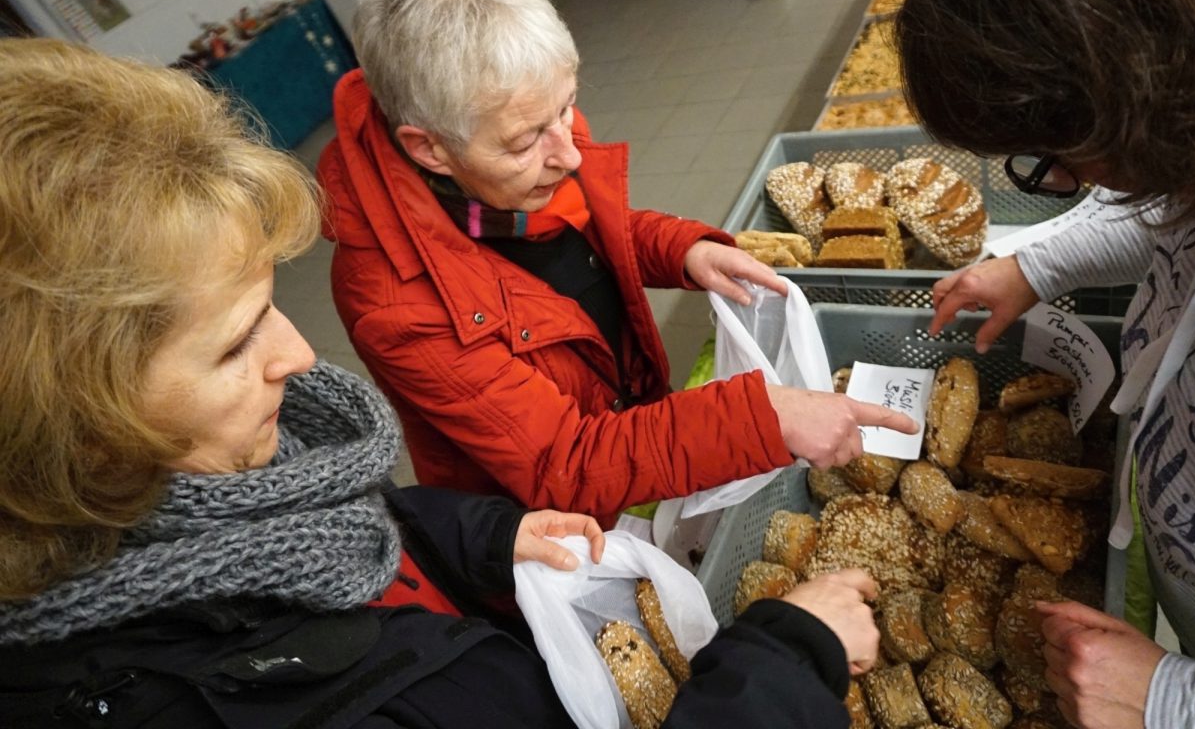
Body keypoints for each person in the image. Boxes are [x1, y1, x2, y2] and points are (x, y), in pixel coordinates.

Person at [0, 38, 882, 728]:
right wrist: (786, 656)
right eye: (234, 346)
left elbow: (369, 525)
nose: (302, 357)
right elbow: (564, 456)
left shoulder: (236, 471)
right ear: (77, 424)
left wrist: (489, 537)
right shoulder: (196, 695)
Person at [318, 0, 916, 526]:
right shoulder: (395, 304)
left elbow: (585, 232)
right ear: (430, 151)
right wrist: (761, 418)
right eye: (527, 140)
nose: (568, 153)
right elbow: (565, 463)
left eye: (567, 106)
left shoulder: (518, 149)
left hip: (631, 431)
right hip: (556, 524)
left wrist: (681, 249)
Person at [894, 0, 1195, 727]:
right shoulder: (1178, 157)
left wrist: (1170, 699)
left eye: (1061, 154)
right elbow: (1167, 210)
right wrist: (1035, 270)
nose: (1062, 183)